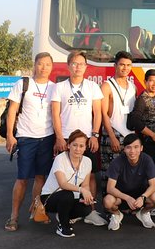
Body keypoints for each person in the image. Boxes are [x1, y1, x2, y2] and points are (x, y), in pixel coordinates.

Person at [51, 50, 107, 226]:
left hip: (87, 139)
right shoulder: (59, 87)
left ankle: (89, 211)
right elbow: (55, 115)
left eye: (81, 64)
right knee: (65, 177)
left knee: (89, 176)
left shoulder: (92, 87)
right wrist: (60, 138)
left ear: (86, 66)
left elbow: (97, 113)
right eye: (74, 63)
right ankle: (66, 211)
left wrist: (95, 135)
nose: (78, 67)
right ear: (68, 66)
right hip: (67, 138)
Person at [4, 52, 56, 232]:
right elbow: (12, 111)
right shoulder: (23, 84)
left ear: (52, 67)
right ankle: (14, 217)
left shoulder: (54, 88)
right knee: (22, 178)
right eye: (40, 64)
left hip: (47, 138)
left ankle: (36, 211)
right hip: (26, 138)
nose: (44, 68)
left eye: (47, 64)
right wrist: (11, 135)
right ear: (35, 65)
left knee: (41, 177)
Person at [40, 130, 94, 237]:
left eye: (81, 146)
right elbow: (63, 184)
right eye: (74, 145)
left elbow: (85, 185)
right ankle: (63, 226)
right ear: (68, 145)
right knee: (67, 194)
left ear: (85, 147)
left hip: (71, 196)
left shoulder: (87, 161)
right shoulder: (60, 159)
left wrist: (87, 196)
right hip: (50, 197)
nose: (77, 149)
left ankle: (63, 214)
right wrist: (81, 190)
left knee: (86, 208)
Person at [103, 133, 155, 231]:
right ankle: (116, 215)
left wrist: (143, 197)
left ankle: (143, 213)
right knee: (108, 201)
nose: (132, 151)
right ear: (124, 149)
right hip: (121, 197)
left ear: (141, 148)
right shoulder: (117, 162)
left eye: (136, 147)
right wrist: (127, 198)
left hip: (140, 195)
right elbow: (110, 188)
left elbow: (153, 185)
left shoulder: (147, 159)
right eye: (128, 147)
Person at [100, 51, 136, 195]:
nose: (125, 68)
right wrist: (112, 137)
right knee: (110, 174)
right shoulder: (106, 86)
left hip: (129, 136)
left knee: (127, 174)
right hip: (112, 134)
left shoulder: (133, 87)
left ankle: (124, 207)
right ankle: (109, 209)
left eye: (128, 65)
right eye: (122, 64)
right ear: (115, 65)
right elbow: (103, 114)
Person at [127, 69, 155, 177]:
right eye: (151, 81)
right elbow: (136, 121)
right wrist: (152, 135)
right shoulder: (142, 99)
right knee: (149, 171)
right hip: (148, 142)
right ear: (145, 82)